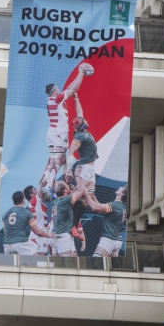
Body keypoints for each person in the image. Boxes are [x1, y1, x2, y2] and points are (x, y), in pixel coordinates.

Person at [41, 62, 92, 190]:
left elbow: (71, 87)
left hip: (52, 133)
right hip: (59, 133)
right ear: (54, 91)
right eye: (57, 88)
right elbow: (74, 89)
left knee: (52, 161)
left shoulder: (54, 99)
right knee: (59, 160)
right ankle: (48, 186)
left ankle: (47, 181)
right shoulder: (57, 99)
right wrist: (81, 73)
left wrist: (79, 74)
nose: (59, 89)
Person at [65, 93, 98, 239]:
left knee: (86, 199)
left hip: (91, 170)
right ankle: (63, 212)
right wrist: (68, 170)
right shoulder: (79, 136)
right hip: (84, 168)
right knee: (77, 196)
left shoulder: (82, 129)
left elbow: (80, 112)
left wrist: (76, 97)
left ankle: (74, 226)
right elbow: (71, 152)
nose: (85, 121)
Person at [84, 185, 128, 257]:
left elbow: (95, 208)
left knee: (96, 261)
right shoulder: (120, 206)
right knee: (108, 266)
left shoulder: (115, 206)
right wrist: (93, 196)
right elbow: (100, 209)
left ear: (122, 194)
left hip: (109, 240)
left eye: (122, 188)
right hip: (116, 240)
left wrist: (86, 194)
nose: (119, 187)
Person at [49, 180, 86, 256]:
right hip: (62, 235)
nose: (68, 186)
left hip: (55, 234)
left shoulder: (57, 200)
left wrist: (74, 190)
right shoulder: (66, 200)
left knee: (57, 264)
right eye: (66, 185)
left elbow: (72, 194)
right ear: (65, 190)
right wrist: (78, 177)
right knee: (67, 263)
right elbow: (82, 190)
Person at [24, 185, 49, 256]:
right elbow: (40, 189)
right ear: (31, 194)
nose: (37, 189)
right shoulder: (33, 201)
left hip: (42, 233)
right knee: (39, 258)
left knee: (42, 258)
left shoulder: (38, 201)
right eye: (34, 189)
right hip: (36, 237)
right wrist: (42, 182)